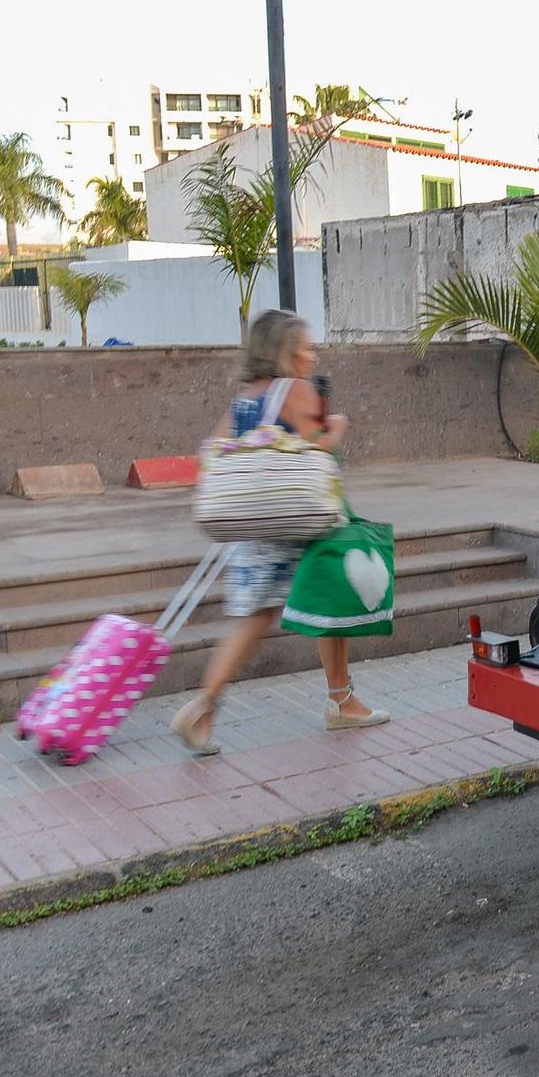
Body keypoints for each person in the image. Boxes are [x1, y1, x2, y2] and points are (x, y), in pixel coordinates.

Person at [170, 309, 391, 754]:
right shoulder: (296, 389)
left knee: (251, 618)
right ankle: (341, 702)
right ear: (285, 353)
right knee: (332, 599)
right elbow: (318, 448)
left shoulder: (246, 399)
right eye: (305, 348)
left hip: (253, 529)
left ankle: (204, 708)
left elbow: (217, 451)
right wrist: (338, 428)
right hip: (299, 524)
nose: (312, 355)